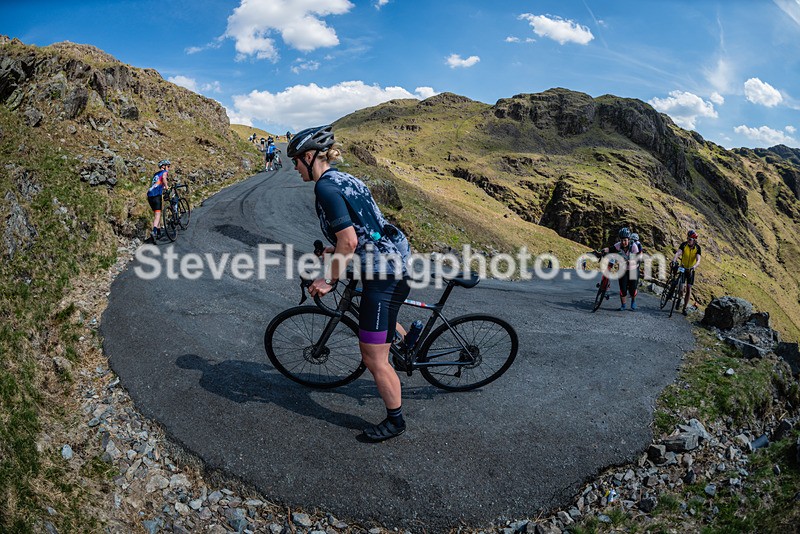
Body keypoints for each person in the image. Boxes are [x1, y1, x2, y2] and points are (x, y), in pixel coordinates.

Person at [287, 125, 412, 442]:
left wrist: (328, 279)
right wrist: (335, 251)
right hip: (391, 260)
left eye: (296, 162)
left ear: (308, 156)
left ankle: (395, 421)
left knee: (374, 357)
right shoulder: (345, 179)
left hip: (382, 274)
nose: (295, 168)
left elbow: (350, 240)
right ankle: (407, 339)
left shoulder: (325, 189)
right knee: (368, 306)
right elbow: (367, 228)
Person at [602, 227, 641, 311]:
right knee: (623, 289)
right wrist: (604, 250)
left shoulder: (633, 246)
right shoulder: (618, 245)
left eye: (625, 240)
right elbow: (610, 248)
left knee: (632, 289)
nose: (623, 242)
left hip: (633, 269)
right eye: (622, 240)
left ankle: (633, 300)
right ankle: (623, 305)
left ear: (629, 239)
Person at [671, 229, 702, 316]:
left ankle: (684, 308)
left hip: (691, 270)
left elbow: (698, 260)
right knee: (681, 288)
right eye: (687, 238)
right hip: (683, 268)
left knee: (688, 289)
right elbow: (678, 253)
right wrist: (674, 260)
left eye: (690, 239)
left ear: (694, 240)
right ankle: (679, 298)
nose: (688, 240)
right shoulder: (684, 245)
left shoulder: (698, 248)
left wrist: (694, 267)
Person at [146, 159, 171, 241]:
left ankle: (159, 232)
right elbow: (164, 178)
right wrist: (167, 188)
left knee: (157, 214)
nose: (169, 168)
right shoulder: (164, 172)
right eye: (168, 166)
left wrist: (163, 187)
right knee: (157, 215)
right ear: (163, 166)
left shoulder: (156, 174)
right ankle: (154, 231)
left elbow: (157, 184)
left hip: (150, 196)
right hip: (156, 196)